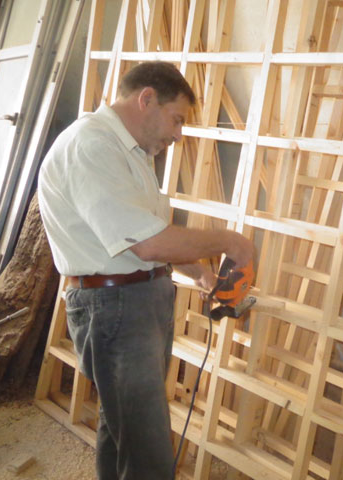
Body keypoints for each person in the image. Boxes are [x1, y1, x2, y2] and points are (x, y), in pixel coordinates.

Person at [37, 61, 253, 479]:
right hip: (115, 306)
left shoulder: (131, 152)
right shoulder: (93, 145)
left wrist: (200, 274)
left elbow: (146, 233)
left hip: (132, 303)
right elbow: (149, 243)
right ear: (146, 99)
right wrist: (231, 242)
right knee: (148, 448)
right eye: (177, 119)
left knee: (123, 430)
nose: (178, 134)